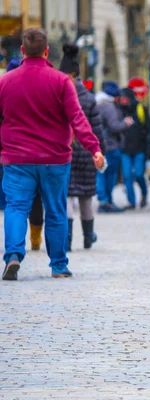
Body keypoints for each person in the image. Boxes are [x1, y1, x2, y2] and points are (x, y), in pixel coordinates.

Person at [0, 28, 104, 281]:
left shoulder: (5, 82)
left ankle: (13, 255)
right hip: (54, 159)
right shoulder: (61, 81)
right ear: (47, 51)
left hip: (17, 158)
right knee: (55, 210)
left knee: (15, 207)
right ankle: (58, 265)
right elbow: (77, 118)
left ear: (22, 51)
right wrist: (94, 148)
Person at [59, 43, 105, 251]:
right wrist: (99, 151)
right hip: (87, 151)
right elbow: (96, 127)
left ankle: (67, 239)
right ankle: (88, 236)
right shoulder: (88, 97)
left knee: (67, 194)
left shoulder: (58, 94)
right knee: (86, 195)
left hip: (65, 149)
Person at [1, 57, 46, 251]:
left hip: (10, 154)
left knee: (15, 203)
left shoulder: (4, 90)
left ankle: (13, 252)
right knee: (35, 198)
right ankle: (35, 239)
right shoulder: (35, 91)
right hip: (36, 154)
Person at [95, 81, 133, 213]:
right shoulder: (109, 106)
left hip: (99, 145)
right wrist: (126, 123)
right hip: (110, 145)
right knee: (109, 175)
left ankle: (103, 201)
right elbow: (114, 126)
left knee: (101, 174)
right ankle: (107, 202)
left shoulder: (97, 103)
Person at [118, 87, 150, 209]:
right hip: (125, 150)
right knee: (127, 176)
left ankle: (144, 194)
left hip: (140, 149)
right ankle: (131, 202)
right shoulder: (119, 111)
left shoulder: (140, 109)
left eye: (125, 98)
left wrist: (149, 149)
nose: (123, 100)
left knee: (139, 174)